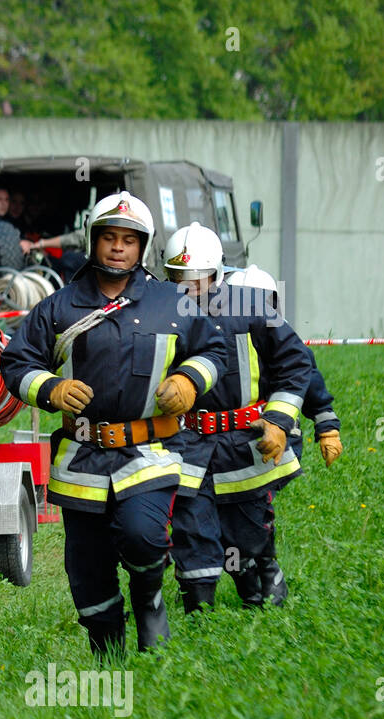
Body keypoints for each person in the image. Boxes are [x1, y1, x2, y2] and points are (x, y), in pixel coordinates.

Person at [0, 193, 226, 655]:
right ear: (93, 241)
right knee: (86, 566)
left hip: (150, 452)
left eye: (128, 240)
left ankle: (149, 598)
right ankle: (108, 650)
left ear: (143, 247)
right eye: (108, 237)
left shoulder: (172, 302)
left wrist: (188, 379)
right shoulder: (57, 308)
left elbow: (216, 350)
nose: (118, 248)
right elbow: (16, 362)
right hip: (80, 458)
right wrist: (49, 389)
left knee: (143, 536)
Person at [160, 224, 315, 611]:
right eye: (179, 279)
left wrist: (279, 421)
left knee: (243, 534)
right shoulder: (157, 312)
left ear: (218, 273)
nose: (189, 289)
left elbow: (296, 364)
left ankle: (261, 573)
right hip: (187, 445)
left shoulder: (252, 308)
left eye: (197, 279)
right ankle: (200, 616)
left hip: (244, 442)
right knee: (192, 529)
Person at [225, 264, 341, 604]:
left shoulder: (287, 346)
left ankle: (266, 567)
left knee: (253, 505)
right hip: (228, 440)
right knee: (224, 516)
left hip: (278, 440)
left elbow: (311, 385)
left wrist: (326, 426)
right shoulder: (215, 341)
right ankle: (245, 569)